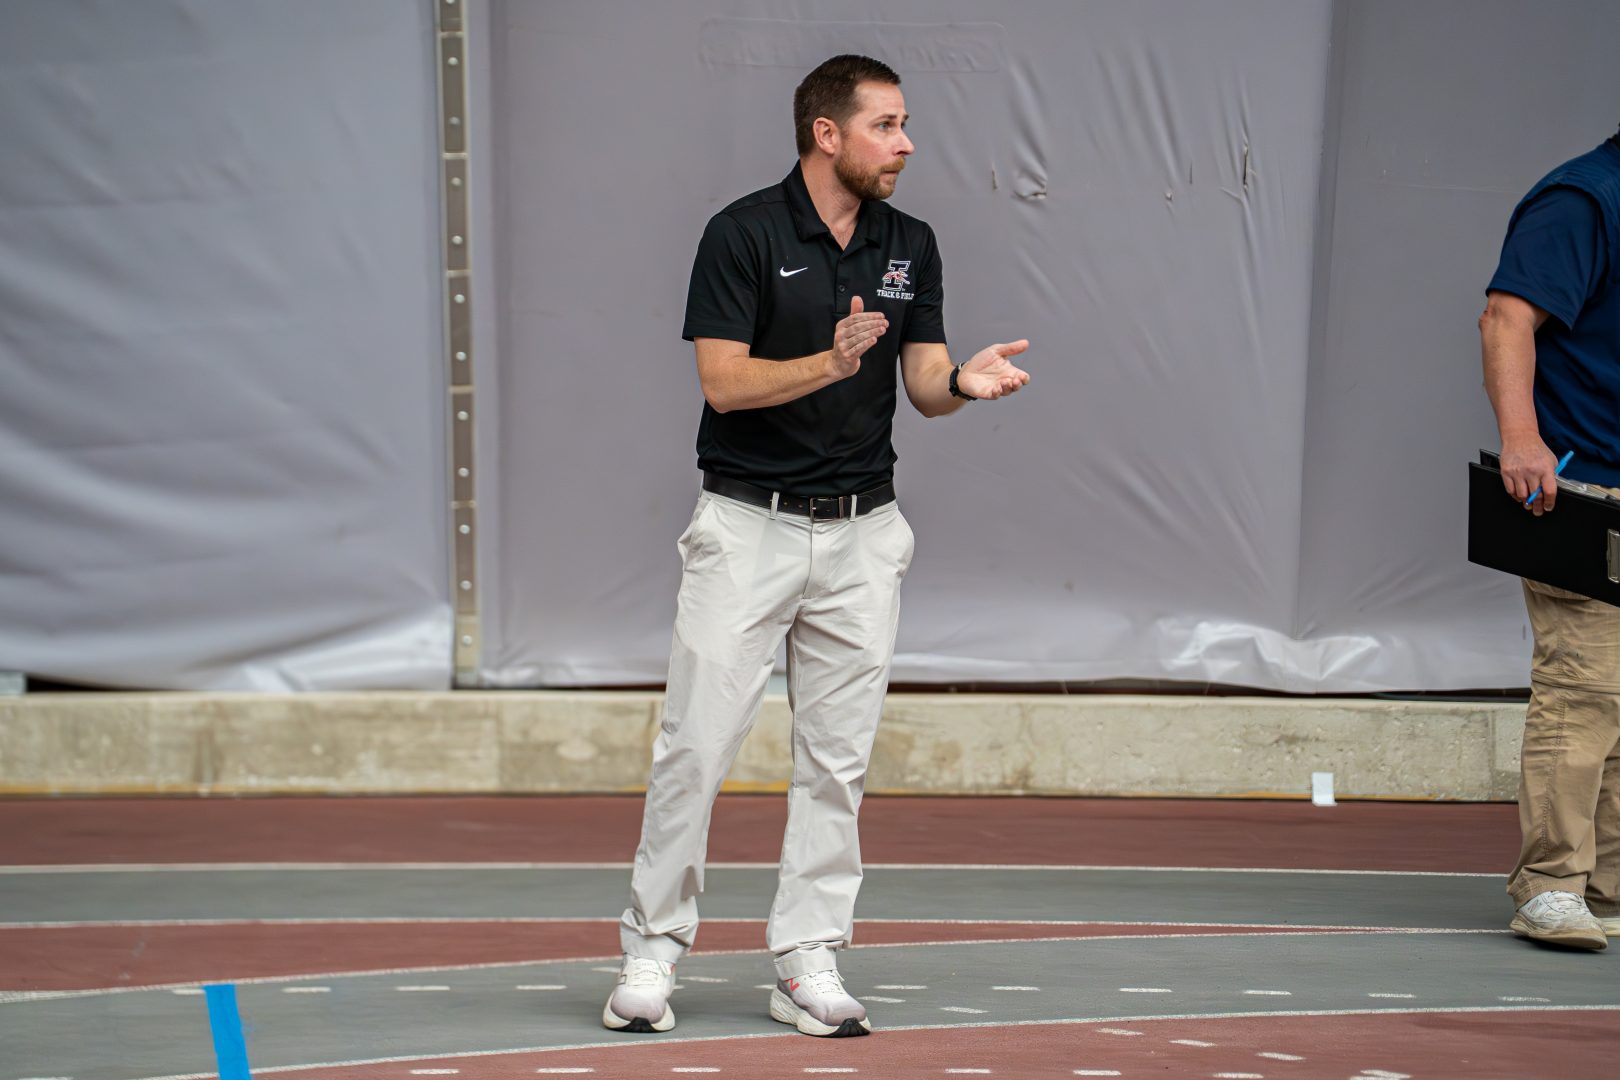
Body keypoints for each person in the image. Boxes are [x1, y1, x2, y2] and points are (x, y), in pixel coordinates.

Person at [602, 54, 1031, 1037]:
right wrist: (827, 361)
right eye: (886, 125)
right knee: (694, 750)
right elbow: (723, 383)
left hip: (863, 533)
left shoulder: (910, 242)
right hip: (745, 526)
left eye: (906, 124)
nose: (907, 143)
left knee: (836, 762)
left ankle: (807, 957)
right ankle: (652, 950)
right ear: (826, 134)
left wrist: (964, 382)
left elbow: (920, 382)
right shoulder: (743, 233)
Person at [1480, 125, 1620, 952]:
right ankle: (1553, 884)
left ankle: (1603, 881)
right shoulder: (1585, 197)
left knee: (1617, 691)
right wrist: (1522, 437)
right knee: (1586, 685)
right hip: (1582, 488)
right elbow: (1505, 317)